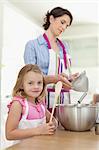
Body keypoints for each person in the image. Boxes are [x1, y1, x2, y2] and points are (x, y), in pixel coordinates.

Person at [24, 7, 79, 108]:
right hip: (41, 100)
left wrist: (69, 79)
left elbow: (63, 73)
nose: (64, 28)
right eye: (62, 22)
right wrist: (53, 79)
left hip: (64, 101)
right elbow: (29, 79)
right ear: (51, 19)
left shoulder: (65, 46)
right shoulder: (33, 45)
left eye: (67, 26)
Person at [5, 64, 58, 141]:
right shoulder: (18, 104)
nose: (36, 86)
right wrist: (38, 131)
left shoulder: (40, 103)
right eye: (30, 83)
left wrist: (53, 124)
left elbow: (52, 120)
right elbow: (9, 134)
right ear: (22, 85)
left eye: (39, 82)